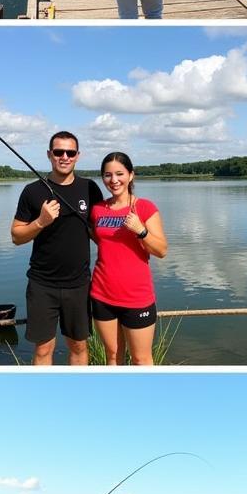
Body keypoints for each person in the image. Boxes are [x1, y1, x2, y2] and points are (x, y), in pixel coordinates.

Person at [11, 132, 103, 365]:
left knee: (79, 346)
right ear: (49, 155)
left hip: (79, 284)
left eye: (70, 152)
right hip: (42, 284)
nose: (64, 157)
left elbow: (100, 233)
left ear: (77, 156)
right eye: (58, 152)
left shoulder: (90, 188)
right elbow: (16, 236)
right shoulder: (33, 191)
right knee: (43, 349)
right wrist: (40, 221)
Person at [90, 151, 168, 365]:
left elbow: (161, 250)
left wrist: (141, 230)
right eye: (107, 175)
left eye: (119, 173)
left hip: (136, 297)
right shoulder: (97, 209)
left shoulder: (144, 207)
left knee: (141, 360)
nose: (114, 180)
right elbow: (100, 242)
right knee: (113, 357)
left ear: (131, 175)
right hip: (102, 294)